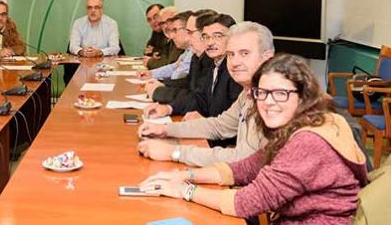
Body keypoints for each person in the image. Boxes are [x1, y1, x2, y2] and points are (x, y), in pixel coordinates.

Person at [139, 54, 368, 224]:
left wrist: (184, 190)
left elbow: (246, 202)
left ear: (303, 97)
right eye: (262, 93)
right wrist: (184, 175)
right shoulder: (297, 126)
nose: (268, 102)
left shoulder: (309, 140)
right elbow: (245, 168)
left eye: (281, 93)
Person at [137, 22, 274, 167]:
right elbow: (219, 126)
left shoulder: (273, 97)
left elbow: (242, 158)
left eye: (244, 53)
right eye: (231, 55)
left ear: (267, 57)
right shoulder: (249, 91)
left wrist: (174, 152)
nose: (235, 62)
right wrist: (165, 129)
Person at [144, 14, 242, 123]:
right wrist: (169, 108)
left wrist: (206, 122)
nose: (210, 42)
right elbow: (201, 100)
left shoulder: (236, 70)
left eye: (218, 36)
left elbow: (233, 124)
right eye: (206, 37)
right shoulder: (216, 64)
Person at [144, 10, 215, 104]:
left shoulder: (208, 59)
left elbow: (199, 100)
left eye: (190, 32)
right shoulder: (196, 56)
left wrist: (160, 91)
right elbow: (188, 82)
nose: (165, 27)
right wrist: (162, 85)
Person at [139, 11, 193, 89]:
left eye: (175, 30)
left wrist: (162, 84)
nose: (172, 36)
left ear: (188, 30)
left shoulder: (193, 51)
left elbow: (177, 75)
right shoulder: (187, 50)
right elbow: (173, 67)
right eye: (162, 23)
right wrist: (151, 74)